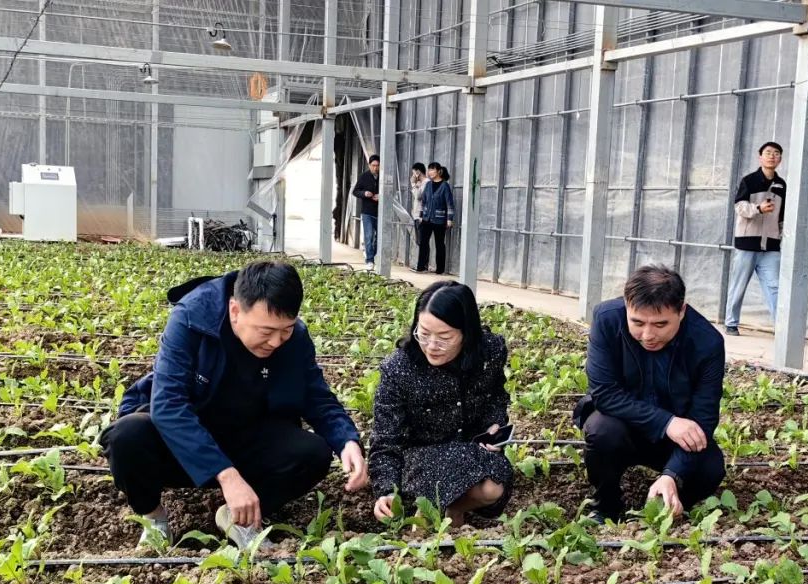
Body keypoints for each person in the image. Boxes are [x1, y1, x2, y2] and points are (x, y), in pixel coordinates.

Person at [102, 261, 369, 550]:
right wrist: (226, 475)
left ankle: (239, 517)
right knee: (126, 437)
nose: (276, 342)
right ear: (235, 311)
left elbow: (316, 395)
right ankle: (155, 518)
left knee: (313, 453)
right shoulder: (191, 318)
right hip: (186, 439)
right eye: (266, 331)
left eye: (286, 330)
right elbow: (168, 404)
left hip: (246, 432)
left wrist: (346, 440)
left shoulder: (294, 338)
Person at [575, 265, 725, 523]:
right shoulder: (607, 320)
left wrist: (672, 473)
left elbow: (703, 417)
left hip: (675, 438)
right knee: (601, 430)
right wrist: (666, 422)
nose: (648, 335)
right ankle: (606, 505)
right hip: (623, 425)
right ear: (626, 306)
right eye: (637, 322)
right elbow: (605, 394)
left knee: (711, 468)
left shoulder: (707, 342)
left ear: (682, 311)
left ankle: (666, 503)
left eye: (660, 324)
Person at [369, 280, 512, 527]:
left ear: (467, 333)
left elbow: (495, 396)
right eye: (423, 334)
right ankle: (430, 510)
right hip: (420, 459)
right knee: (452, 470)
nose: (432, 346)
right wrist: (386, 490)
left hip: (472, 452)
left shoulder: (489, 352)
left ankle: (452, 507)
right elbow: (385, 438)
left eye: (444, 337)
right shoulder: (400, 368)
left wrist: (493, 426)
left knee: (492, 488)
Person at [726, 142, 786, 336]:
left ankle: (781, 329)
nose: (772, 156)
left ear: (780, 159)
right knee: (739, 285)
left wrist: (780, 235)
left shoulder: (782, 185)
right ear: (760, 157)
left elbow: (782, 216)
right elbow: (739, 207)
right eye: (768, 153)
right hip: (747, 244)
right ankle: (731, 323)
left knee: (775, 286)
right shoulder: (749, 181)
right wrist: (758, 208)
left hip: (771, 246)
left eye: (776, 153)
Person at [416, 164, 455, 275]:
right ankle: (421, 267)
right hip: (427, 219)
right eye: (429, 170)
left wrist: (449, 219)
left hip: (439, 219)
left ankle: (440, 269)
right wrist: (421, 216)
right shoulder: (428, 185)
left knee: (439, 244)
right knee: (423, 242)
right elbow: (423, 201)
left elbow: (449, 204)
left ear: (439, 171)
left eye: (432, 170)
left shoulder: (445, 186)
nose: (430, 172)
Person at [351, 154, 381, 270]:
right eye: (373, 165)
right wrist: (364, 193)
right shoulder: (364, 176)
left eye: (377, 165)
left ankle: (373, 255)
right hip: (367, 212)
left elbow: (391, 192)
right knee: (369, 236)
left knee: (379, 237)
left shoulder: (383, 177)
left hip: (380, 213)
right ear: (369, 165)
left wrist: (381, 196)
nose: (375, 168)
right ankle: (369, 260)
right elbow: (355, 191)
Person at [409, 162, 427, 248]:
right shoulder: (420, 183)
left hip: (421, 215)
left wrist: (413, 184)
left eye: (413, 173)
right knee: (419, 241)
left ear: (418, 172)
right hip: (417, 215)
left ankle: (424, 257)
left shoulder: (426, 183)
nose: (413, 176)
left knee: (422, 241)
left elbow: (418, 196)